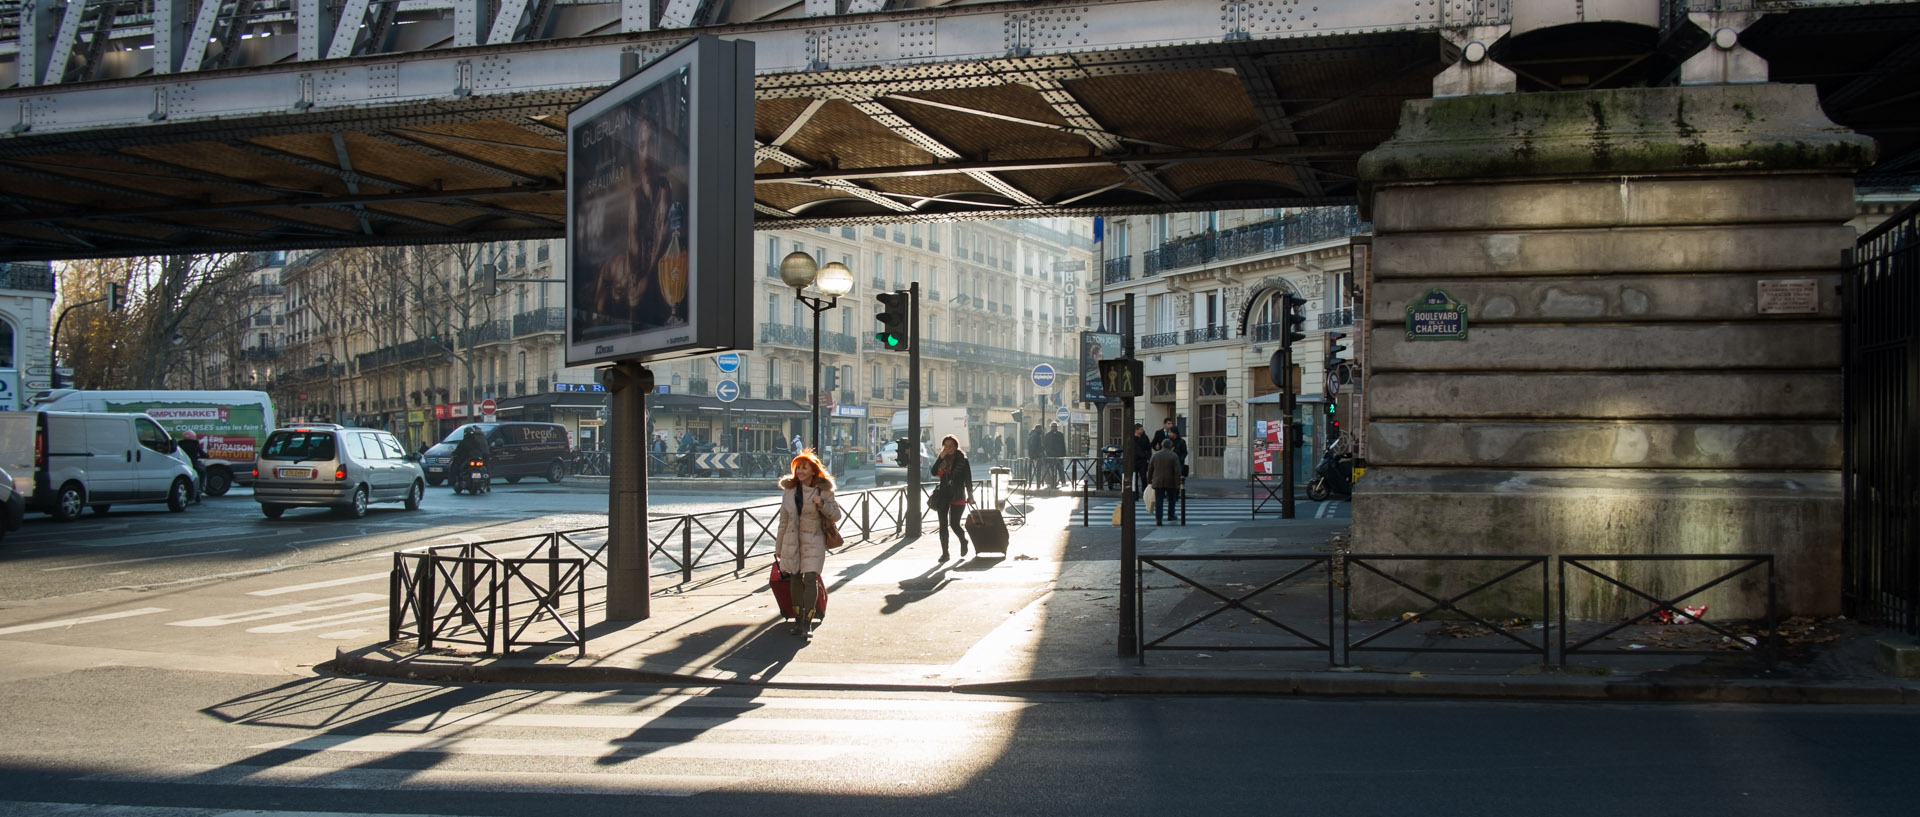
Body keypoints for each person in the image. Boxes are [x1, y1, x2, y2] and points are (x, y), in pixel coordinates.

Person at [776, 450, 842, 637]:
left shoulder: (824, 490)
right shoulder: (789, 491)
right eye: (798, 468)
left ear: (814, 471)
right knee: (795, 577)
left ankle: (807, 622)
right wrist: (779, 547)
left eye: (804, 468)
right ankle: (798, 620)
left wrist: (822, 504)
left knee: (811, 577)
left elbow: (836, 515)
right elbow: (783, 521)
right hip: (792, 539)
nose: (800, 471)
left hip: (814, 538)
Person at [928, 434, 973, 561]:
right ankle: (945, 553)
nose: (949, 448)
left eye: (951, 446)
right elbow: (933, 472)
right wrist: (940, 458)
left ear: (956, 446)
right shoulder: (943, 458)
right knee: (943, 525)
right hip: (943, 495)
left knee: (954, 524)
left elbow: (968, 479)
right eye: (946, 446)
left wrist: (970, 496)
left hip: (957, 494)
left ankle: (963, 541)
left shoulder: (962, 460)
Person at [1148, 440, 1182, 525]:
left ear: (1161, 445)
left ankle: (1158, 519)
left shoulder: (1155, 455)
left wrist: (1149, 481)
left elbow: (1150, 469)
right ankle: (1171, 515)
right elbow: (1177, 471)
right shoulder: (1173, 455)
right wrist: (1178, 483)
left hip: (1158, 481)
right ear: (1170, 446)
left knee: (1159, 501)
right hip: (1171, 481)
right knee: (1171, 499)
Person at [177, 430, 207, 505]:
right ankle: (200, 488)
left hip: (183, 465)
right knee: (203, 472)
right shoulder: (195, 444)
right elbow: (203, 454)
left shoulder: (180, 444)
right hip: (193, 465)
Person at [1129, 423, 1151, 498]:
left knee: (1143, 477)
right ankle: (1135, 494)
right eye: (1141, 429)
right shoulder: (1131, 438)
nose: (1142, 431)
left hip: (1143, 460)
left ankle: (1145, 493)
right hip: (1134, 460)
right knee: (1134, 478)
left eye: (1142, 429)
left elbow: (1148, 448)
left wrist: (1148, 458)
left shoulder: (1145, 438)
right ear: (1136, 430)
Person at [1044, 422, 1067, 488]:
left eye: (1055, 426)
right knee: (1052, 470)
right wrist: (1047, 453)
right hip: (1051, 456)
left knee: (1060, 469)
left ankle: (1063, 482)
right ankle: (1054, 482)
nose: (1054, 428)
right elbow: (1045, 446)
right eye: (1053, 426)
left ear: (1057, 427)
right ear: (1051, 427)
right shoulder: (1047, 435)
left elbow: (1063, 445)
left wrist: (1063, 455)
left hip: (1059, 456)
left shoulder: (1060, 434)